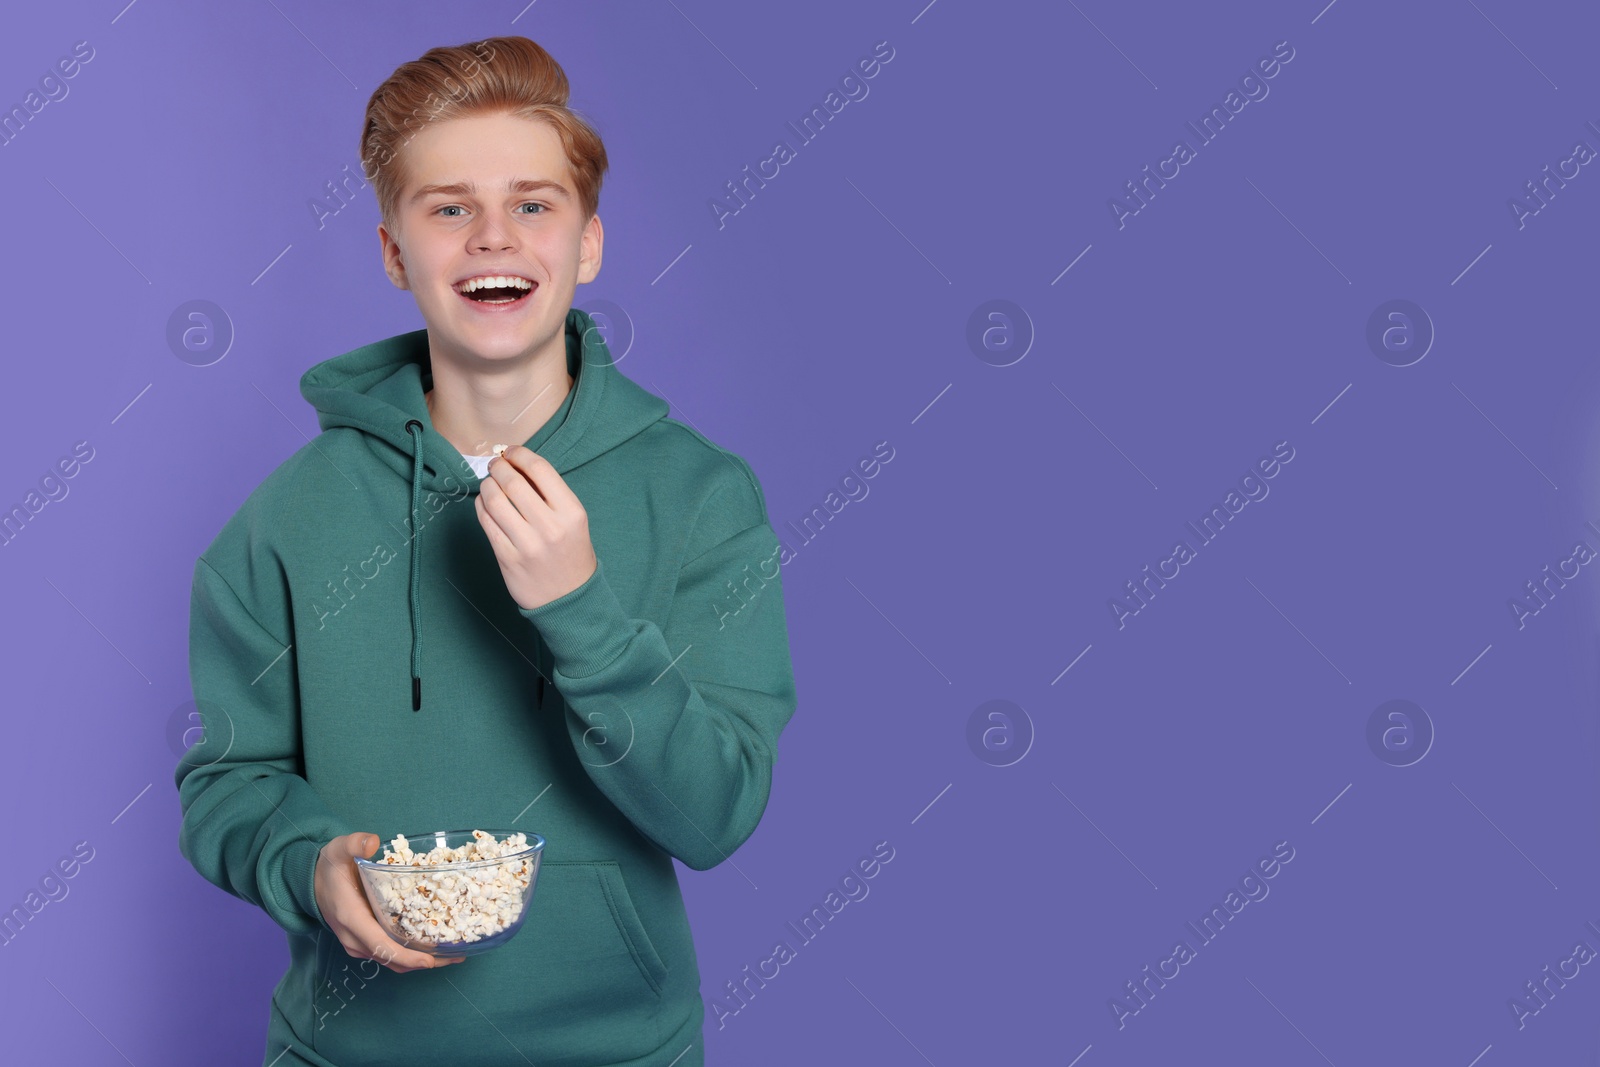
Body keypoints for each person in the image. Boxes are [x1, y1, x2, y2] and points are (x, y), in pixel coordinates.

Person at [174, 35, 797, 1067]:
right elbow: (228, 781)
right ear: (393, 252)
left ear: (588, 244)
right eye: (448, 207)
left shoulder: (702, 496)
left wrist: (582, 614)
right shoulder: (285, 517)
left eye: (534, 203)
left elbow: (717, 813)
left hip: (617, 1049)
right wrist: (309, 860)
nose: (492, 237)